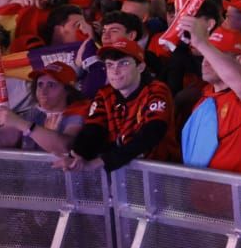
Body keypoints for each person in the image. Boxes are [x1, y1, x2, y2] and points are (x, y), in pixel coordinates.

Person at [63, 36, 177, 171]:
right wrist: (76, 155)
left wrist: (104, 161)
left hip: (160, 174)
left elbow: (151, 133)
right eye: (109, 65)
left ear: (140, 67)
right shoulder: (105, 94)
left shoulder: (156, 90)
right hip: (122, 172)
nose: (115, 71)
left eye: (124, 63)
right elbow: (93, 130)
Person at [178, 15, 241, 177]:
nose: (206, 60)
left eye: (216, 55)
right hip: (204, 193)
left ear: (240, 59)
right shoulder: (204, 98)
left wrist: (203, 43)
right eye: (205, 54)